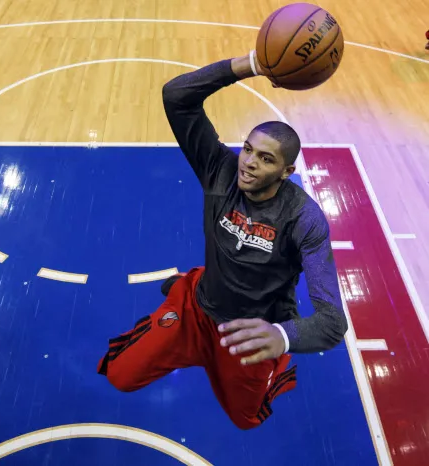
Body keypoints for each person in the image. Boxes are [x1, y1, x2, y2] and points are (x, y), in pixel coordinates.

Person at [97, 51, 348, 429]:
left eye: (265, 159)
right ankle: (187, 283)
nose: (248, 162)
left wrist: (282, 336)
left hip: (249, 333)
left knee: (246, 419)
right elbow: (176, 96)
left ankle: (273, 365)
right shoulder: (220, 171)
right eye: (248, 149)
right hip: (198, 308)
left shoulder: (304, 220)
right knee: (120, 375)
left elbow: (332, 323)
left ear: (286, 171)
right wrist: (252, 64)